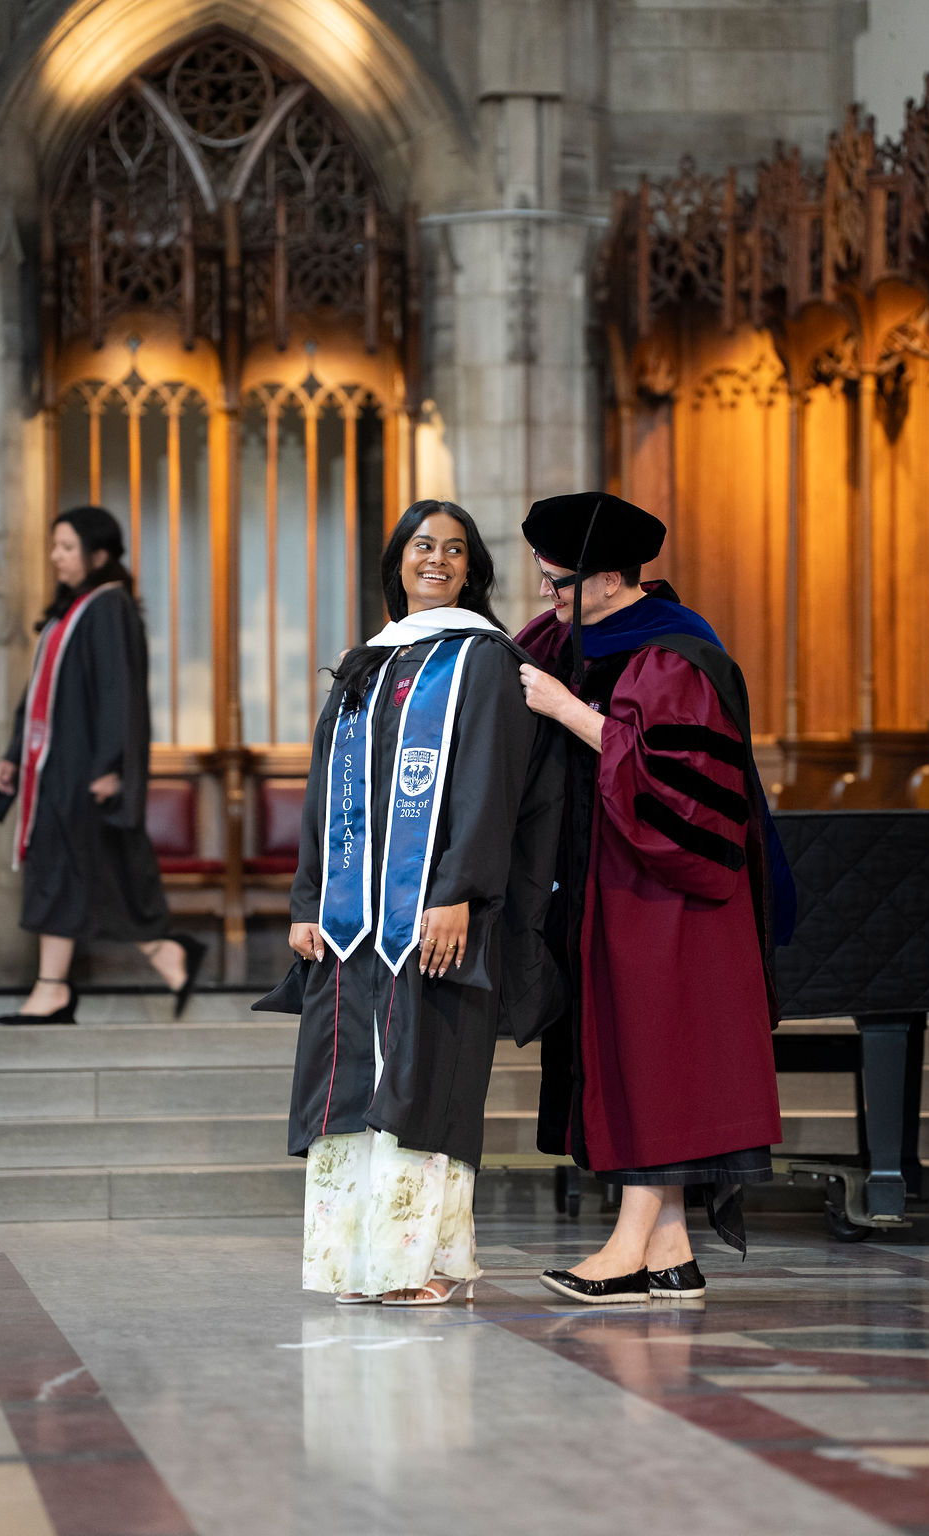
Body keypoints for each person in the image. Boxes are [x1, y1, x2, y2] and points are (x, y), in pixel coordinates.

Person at [516, 491, 794, 1305]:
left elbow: (675, 784)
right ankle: (671, 1250)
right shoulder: (576, 634)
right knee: (634, 1053)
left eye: (557, 581)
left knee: (653, 1055)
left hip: (671, 896)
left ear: (608, 579)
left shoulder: (673, 655)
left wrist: (572, 712)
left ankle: (629, 1249)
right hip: (611, 887)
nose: (547, 596)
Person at [286, 499, 562, 1307]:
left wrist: (460, 894)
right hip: (351, 927)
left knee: (426, 1081)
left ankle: (419, 1262)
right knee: (353, 1087)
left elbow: (489, 791)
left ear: (473, 568)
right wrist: (309, 897)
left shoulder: (483, 661)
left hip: (435, 920)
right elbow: (324, 790)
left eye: (453, 548)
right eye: (419, 545)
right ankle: (357, 1263)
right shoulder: (365, 662)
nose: (435, 558)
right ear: (396, 562)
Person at [0, 507, 205, 1024]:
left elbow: (119, 693)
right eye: (55, 546)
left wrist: (112, 767)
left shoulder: (108, 608)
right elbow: (39, 694)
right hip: (55, 769)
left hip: (84, 770)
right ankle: (156, 958)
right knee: (72, 869)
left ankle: (59, 986)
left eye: (66, 547)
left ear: (99, 554)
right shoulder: (71, 610)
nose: (55, 556)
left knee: (79, 868)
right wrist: (15, 754)